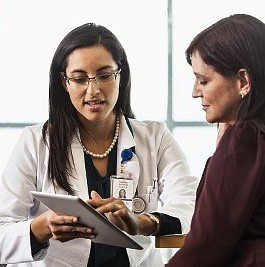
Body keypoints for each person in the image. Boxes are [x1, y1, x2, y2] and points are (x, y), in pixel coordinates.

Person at [0, 23, 198, 267]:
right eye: (80, 78)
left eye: (104, 75)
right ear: (64, 82)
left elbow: (191, 205)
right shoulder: (35, 142)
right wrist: (42, 227)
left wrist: (142, 222)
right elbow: (2, 231)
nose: (92, 90)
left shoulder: (155, 137)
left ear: (120, 75)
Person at [167, 14, 265, 266]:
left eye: (204, 80)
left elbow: (206, 247)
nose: (194, 92)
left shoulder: (245, 141)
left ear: (243, 80)